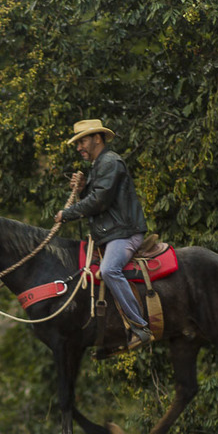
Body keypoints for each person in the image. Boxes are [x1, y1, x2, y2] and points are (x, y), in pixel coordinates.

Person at [55, 119, 153, 350]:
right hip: (111, 236)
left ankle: (140, 326)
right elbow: (96, 199)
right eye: (77, 143)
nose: (79, 147)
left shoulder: (110, 162)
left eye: (82, 141)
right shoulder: (99, 166)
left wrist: (67, 213)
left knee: (109, 270)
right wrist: (81, 191)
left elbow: (99, 201)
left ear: (97, 138)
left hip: (124, 234)